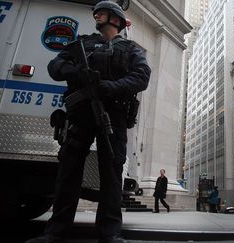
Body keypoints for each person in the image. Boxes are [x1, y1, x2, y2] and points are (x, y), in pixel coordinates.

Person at [26, 2, 151, 243]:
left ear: (115, 19)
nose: (96, 14)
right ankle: (55, 231)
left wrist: (111, 87)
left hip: (112, 115)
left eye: (102, 12)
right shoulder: (82, 44)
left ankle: (110, 233)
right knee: (68, 172)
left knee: (112, 174)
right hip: (81, 113)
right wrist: (75, 73)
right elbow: (55, 66)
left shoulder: (129, 49)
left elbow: (142, 76)